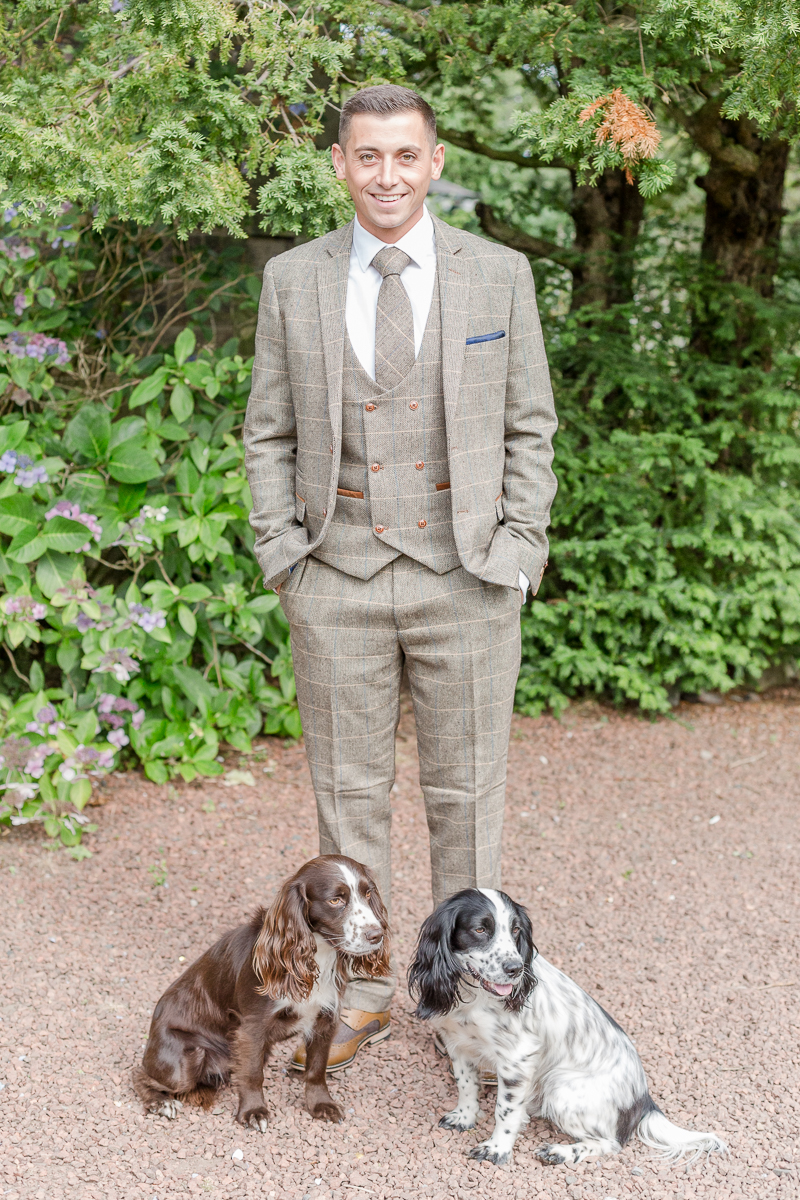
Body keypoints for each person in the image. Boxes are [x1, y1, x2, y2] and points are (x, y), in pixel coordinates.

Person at [244, 84, 557, 1071]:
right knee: (348, 797)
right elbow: (266, 431)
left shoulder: (496, 275)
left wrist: (514, 554)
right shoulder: (292, 279)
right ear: (339, 164)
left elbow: (528, 426)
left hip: (464, 576)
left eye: (403, 157)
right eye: (366, 157)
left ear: (432, 163)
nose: (385, 175)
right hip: (332, 573)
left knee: (466, 794)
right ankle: (365, 986)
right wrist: (283, 556)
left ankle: (464, 989)